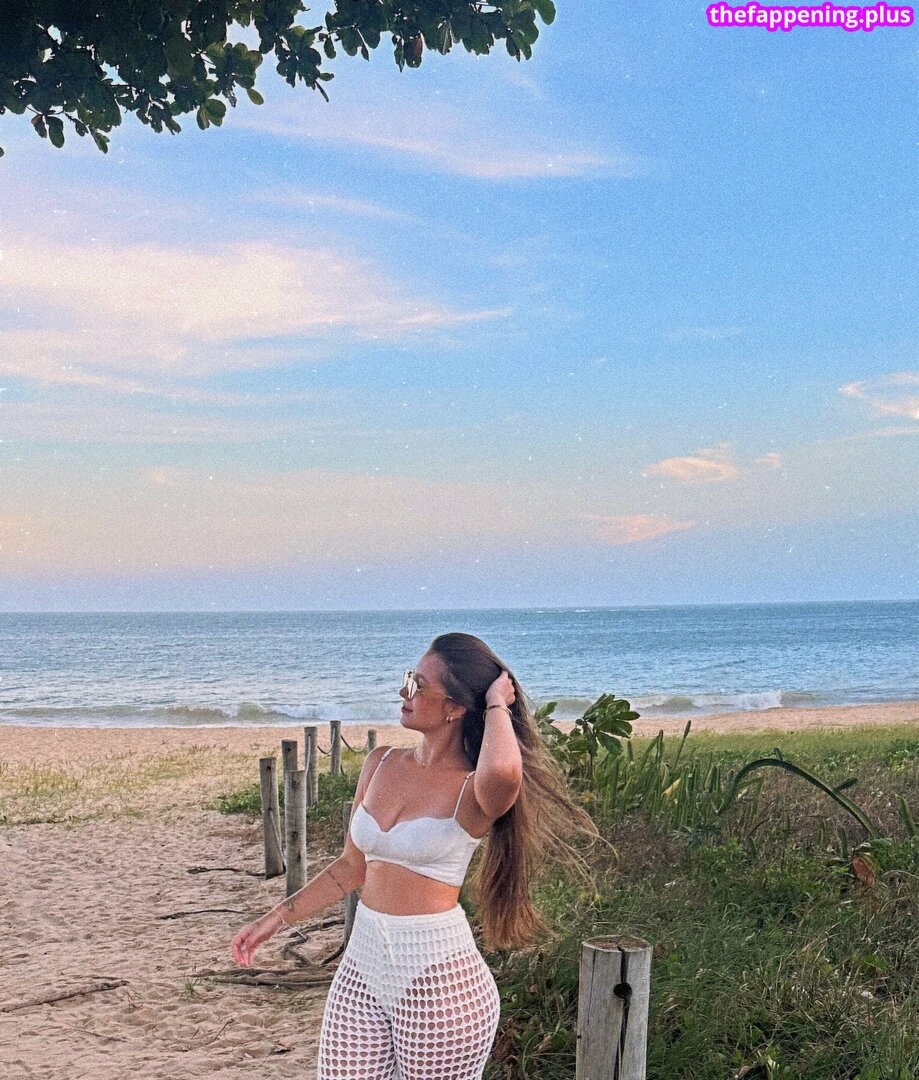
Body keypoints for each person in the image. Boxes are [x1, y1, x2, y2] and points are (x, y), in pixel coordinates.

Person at [231, 632, 596, 1079]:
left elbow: (503, 769)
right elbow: (351, 866)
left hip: (439, 979)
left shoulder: (475, 790)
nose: (404, 691)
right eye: (409, 677)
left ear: (455, 708)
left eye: (418, 685)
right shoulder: (380, 762)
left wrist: (497, 703)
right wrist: (274, 919)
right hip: (362, 967)